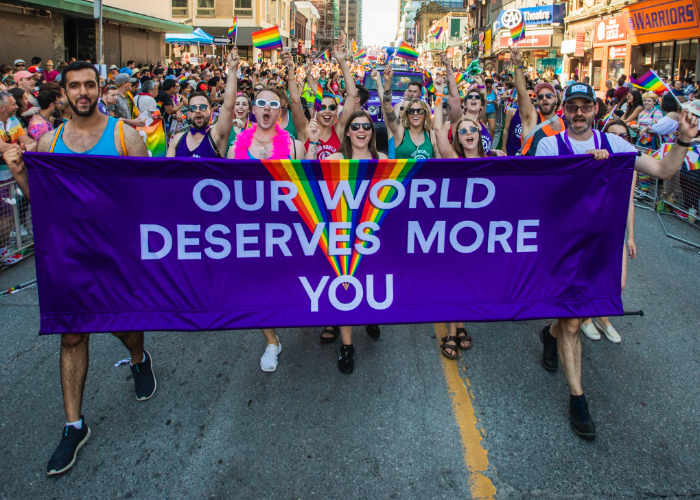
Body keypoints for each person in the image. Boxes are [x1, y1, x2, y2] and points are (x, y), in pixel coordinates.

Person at [2, 61, 155, 474]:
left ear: (100, 88)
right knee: (72, 335)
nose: (83, 92)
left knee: (121, 324)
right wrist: (19, 173)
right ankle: (74, 425)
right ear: (64, 92)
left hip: (118, 254)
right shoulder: (48, 144)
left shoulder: (126, 136)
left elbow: (148, 200)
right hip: (68, 255)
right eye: (75, 86)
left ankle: (140, 359)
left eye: (89, 85)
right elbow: (42, 200)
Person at [534, 82, 699, 440]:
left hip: (599, 248)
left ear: (595, 110)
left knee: (570, 319)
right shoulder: (550, 144)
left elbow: (663, 170)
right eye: (572, 106)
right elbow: (541, 191)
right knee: (575, 322)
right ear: (564, 110)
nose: (579, 113)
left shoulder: (615, 145)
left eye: (585, 106)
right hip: (560, 247)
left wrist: (684, 139)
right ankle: (578, 399)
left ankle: (549, 334)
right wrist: (584, 167)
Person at [229, 85, 306, 372]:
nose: (265, 108)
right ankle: (272, 342)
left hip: (286, 231)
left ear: (279, 111)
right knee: (258, 287)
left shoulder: (296, 147)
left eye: (272, 104)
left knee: (286, 285)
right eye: (260, 103)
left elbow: (310, 194)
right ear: (253, 109)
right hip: (250, 230)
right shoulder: (237, 145)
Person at [323, 110, 388, 373]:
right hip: (343, 232)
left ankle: (370, 315)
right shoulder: (335, 158)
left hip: (372, 232)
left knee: (371, 281)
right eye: (356, 126)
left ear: (372, 132)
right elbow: (311, 186)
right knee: (346, 287)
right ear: (347, 132)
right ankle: (347, 346)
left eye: (366, 126)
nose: (361, 130)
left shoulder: (381, 158)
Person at [579, 119, 638, 344]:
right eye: (615, 136)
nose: (620, 140)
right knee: (590, 278)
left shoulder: (629, 168)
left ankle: (603, 318)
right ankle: (585, 318)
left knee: (618, 282)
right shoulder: (594, 162)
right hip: (589, 229)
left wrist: (630, 236)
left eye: (624, 136)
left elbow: (628, 202)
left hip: (615, 231)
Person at [167, 50, 238, 158]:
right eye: (192, 108)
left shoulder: (217, 136)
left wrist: (232, 69)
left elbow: (228, 105)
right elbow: (168, 172)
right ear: (189, 113)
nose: (198, 110)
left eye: (203, 107)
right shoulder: (177, 139)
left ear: (211, 111)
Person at [296, 34, 356, 160]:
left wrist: (342, 62)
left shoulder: (338, 131)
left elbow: (352, 95)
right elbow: (295, 101)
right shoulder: (306, 130)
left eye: (332, 107)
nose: (327, 111)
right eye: (322, 107)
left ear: (336, 112)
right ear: (316, 111)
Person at [509, 46, 565, 155]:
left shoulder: (566, 126)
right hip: (530, 171)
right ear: (537, 101)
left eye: (548, 95)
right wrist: (518, 65)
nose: (544, 98)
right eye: (540, 97)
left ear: (556, 99)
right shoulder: (531, 118)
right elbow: (521, 92)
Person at [378, 67, 438, 159]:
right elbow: (386, 106)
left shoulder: (430, 134)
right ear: (407, 114)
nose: (415, 113)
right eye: (411, 111)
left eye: (420, 111)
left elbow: (438, 161)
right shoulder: (399, 131)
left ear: (425, 114)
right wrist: (388, 81)